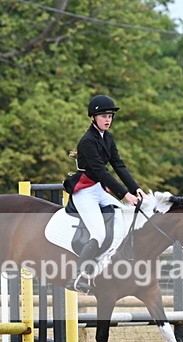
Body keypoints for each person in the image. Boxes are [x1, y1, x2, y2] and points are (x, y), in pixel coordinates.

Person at [67, 94, 146, 292]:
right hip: (84, 191)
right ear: (93, 118)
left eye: (110, 116)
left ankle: (101, 264)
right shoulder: (87, 141)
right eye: (103, 116)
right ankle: (77, 276)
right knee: (99, 233)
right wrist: (125, 195)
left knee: (122, 216)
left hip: (98, 189)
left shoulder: (107, 138)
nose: (108, 119)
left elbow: (118, 165)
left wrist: (134, 187)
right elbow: (102, 172)